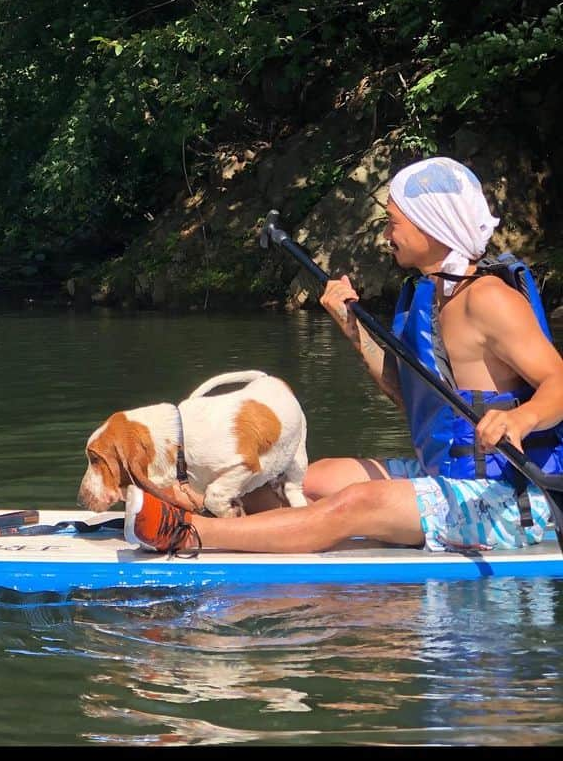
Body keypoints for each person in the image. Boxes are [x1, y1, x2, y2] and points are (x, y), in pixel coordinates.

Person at [128, 156, 563, 555]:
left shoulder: (488, 299)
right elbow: (401, 390)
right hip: (445, 474)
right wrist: (350, 326)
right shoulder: (427, 295)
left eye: (394, 222)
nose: (387, 234)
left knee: (357, 501)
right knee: (311, 479)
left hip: (508, 499)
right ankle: (207, 506)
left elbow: (558, 382)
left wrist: (520, 419)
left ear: (431, 226)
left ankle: (191, 534)